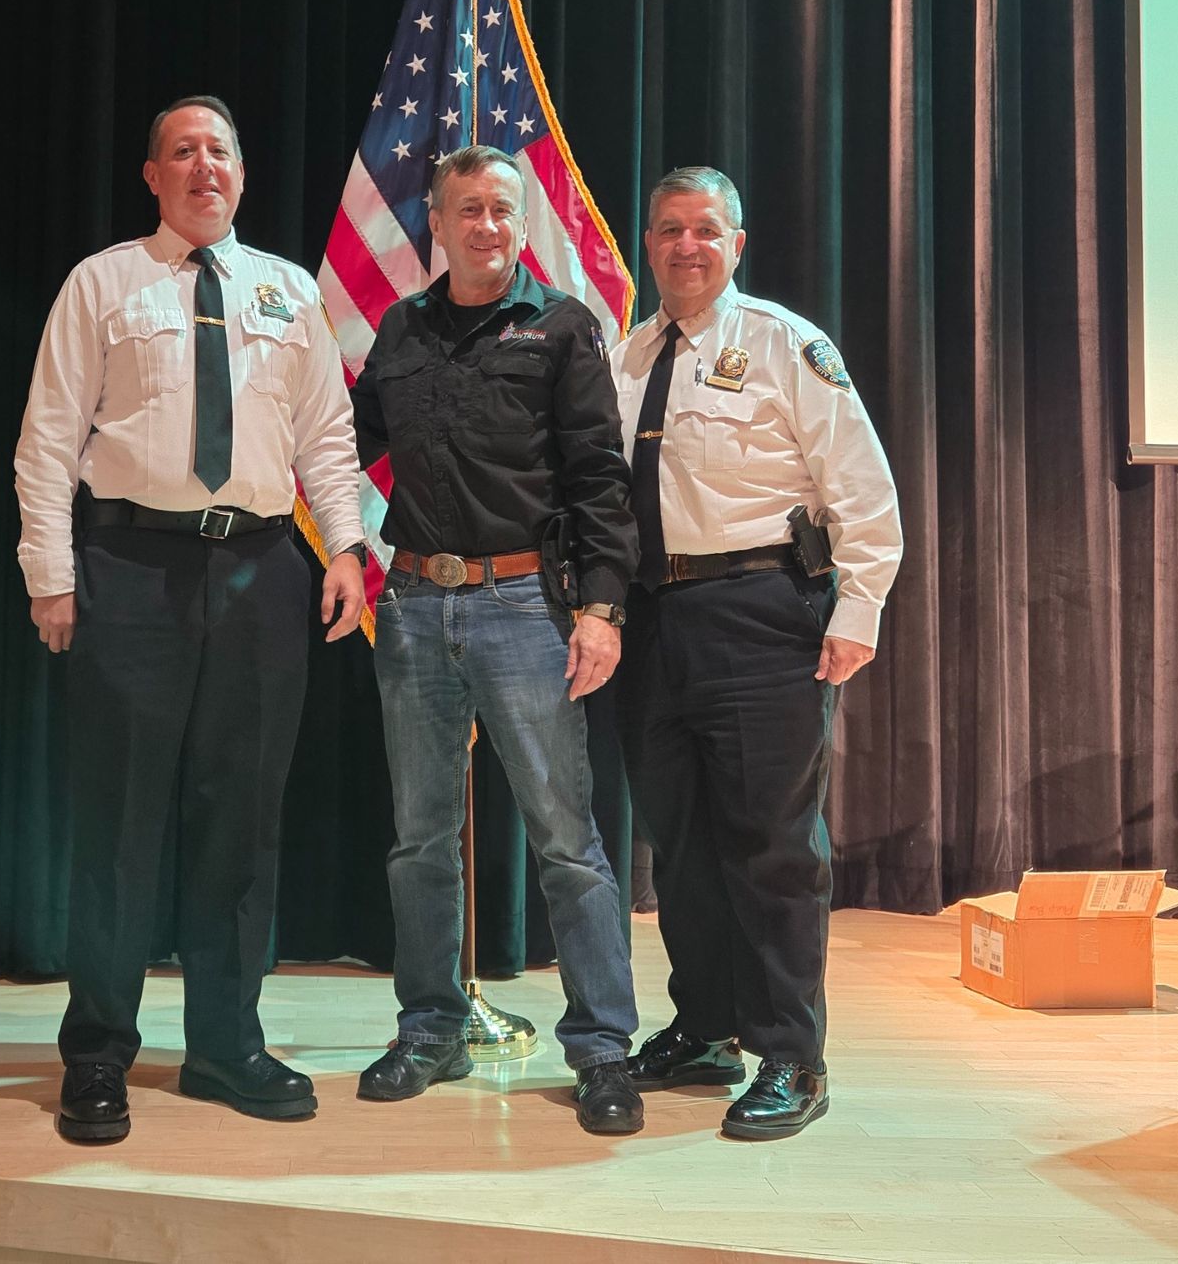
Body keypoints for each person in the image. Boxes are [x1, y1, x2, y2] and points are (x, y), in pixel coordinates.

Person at [15, 95, 368, 1142]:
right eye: (182, 152)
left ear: (242, 176)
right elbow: (46, 439)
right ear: (152, 176)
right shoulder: (102, 283)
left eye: (219, 151)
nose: (202, 166)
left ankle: (223, 1045)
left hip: (260, 567)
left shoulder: (286, 290)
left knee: (242, 820)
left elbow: (328, 438)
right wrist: (51, 573)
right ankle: (97, 1055)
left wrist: (344, 547)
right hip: (128, 565)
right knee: (119, 819)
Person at [347, 144, 645, 1135]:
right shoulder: (397, 329)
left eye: (502, 210)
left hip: (525, 608)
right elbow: (334, 440)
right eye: (466, 209)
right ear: (435, 222)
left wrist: (600, 609)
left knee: (566, 841)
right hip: (412, 611)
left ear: (520, 222)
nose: (486, 226)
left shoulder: (559, 327)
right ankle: (429, 1028)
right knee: (417, 839)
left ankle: (602, 1047)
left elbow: (600, 479)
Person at [610, 165, 901, 1140]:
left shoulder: (784, 346)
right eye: (666, 229)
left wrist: (856, 607)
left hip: (762, 610)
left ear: (736, 246)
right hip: (654, 618)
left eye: (704, 230)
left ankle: (790, 1053)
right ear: (646, 244)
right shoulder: (628, 354)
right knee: (681, 846)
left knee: (771, 846)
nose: (684, 245)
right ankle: (704, 1026)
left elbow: (858, 487)